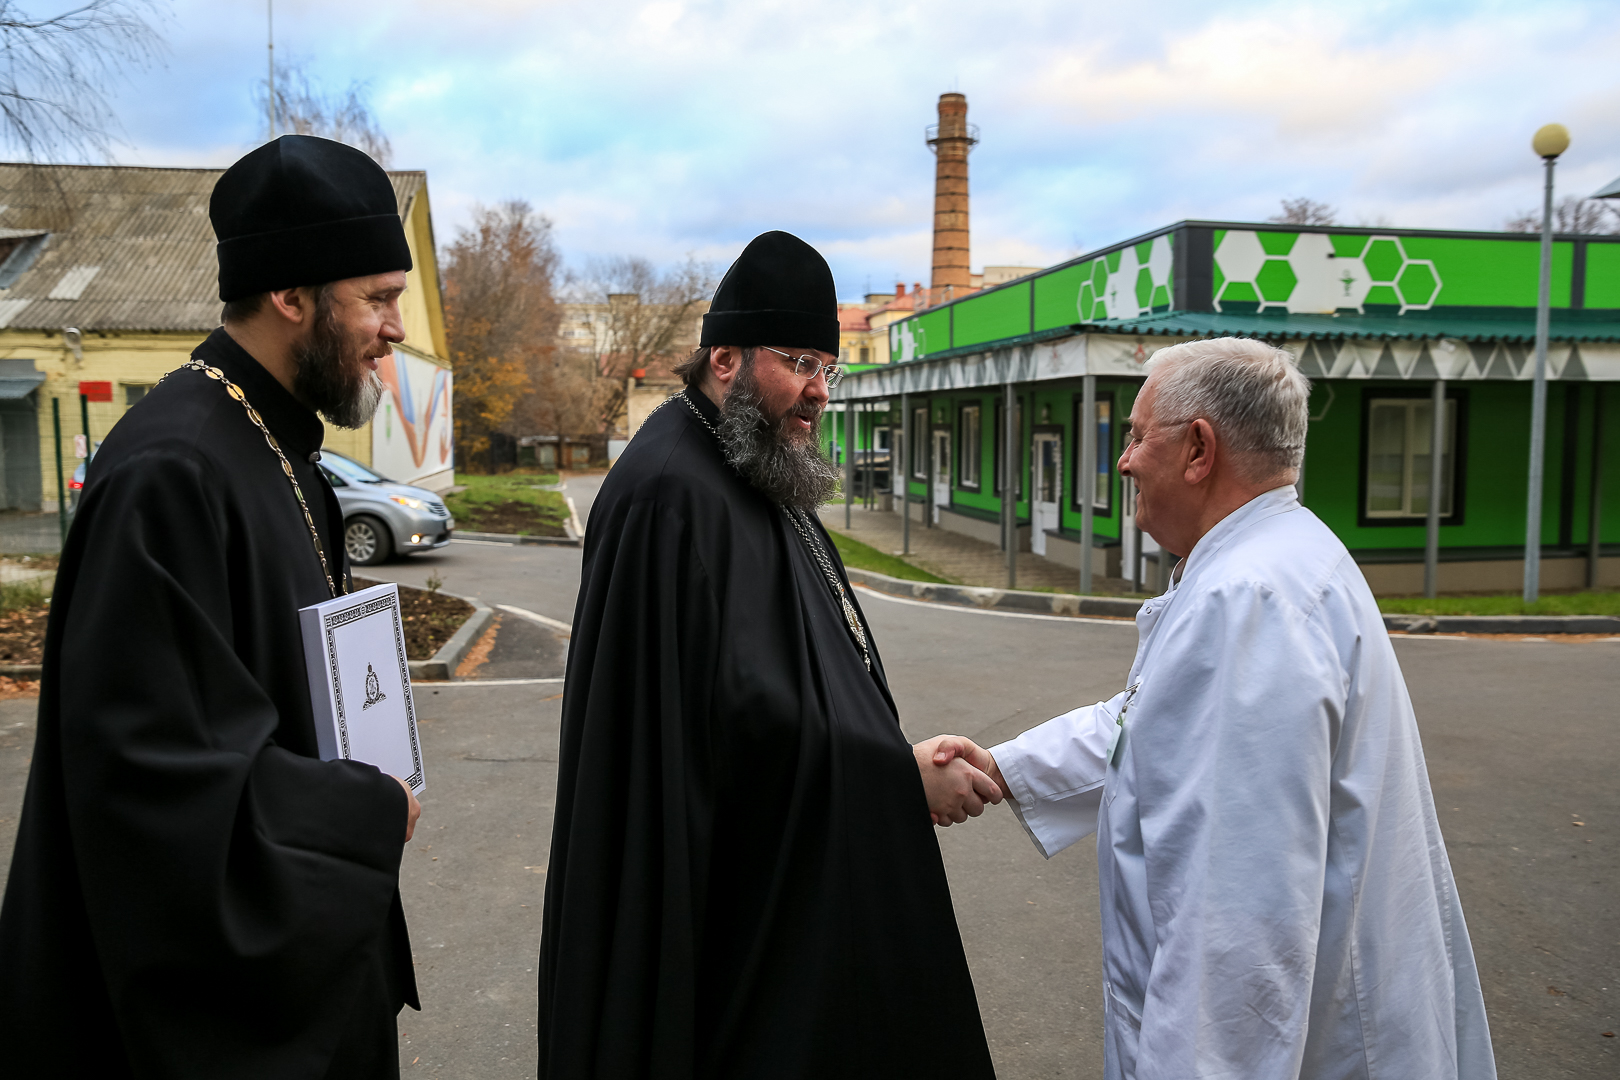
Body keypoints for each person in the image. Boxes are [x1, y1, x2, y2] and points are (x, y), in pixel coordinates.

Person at [932, 338, 1496, 1080]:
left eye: (1137, 436)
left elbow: (1233, 936)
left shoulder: (1249, 601)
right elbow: (1145, 724)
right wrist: (1004, 767)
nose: (1125, 460)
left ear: (1199, 449)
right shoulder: (1274, 560)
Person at [0, 135, 423, 1077]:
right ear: (292, 295)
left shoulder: (279, 445)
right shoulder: (171, 472)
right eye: (379, 298)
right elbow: (151, 779)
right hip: (220, 1024)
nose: (397, 327)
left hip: (318, 969)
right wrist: (361, 810)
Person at [538, 231, 1001, 1079]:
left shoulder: (749, 463)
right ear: (725, 359)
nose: (820, 391)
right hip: (717, 920)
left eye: (830, 367)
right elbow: (716, 738)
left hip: (768, 899)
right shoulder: (672, 495)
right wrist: (894, 779)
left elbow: (785, 674)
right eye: (800, 363)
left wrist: (892, 755)